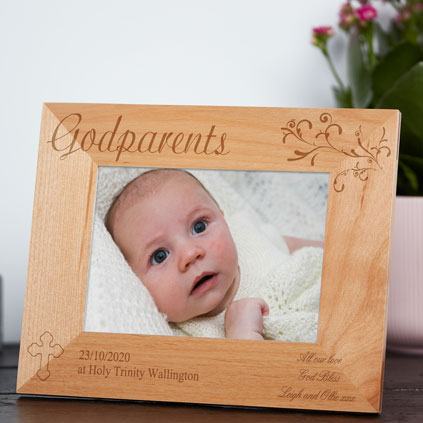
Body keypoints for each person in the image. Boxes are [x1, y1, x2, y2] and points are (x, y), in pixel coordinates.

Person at [105, 169, 323, 341]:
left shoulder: (245, 230)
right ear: (135, 284)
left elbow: (296, 246)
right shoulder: (184, 338)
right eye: (160, 256)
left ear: (224, 219)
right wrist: (242, 336)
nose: (190, 254)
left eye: (199, 227)